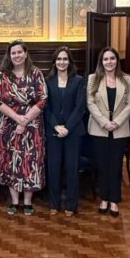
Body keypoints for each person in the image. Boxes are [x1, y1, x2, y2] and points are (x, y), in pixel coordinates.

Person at [0, 40, 47, 215]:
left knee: (30, 162)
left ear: (25, 54)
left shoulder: (36, 73)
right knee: (11, 162)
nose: (16, 55)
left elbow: (43, 99)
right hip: (8, 125)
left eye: (19, 52)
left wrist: (24, 121)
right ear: (9, 56)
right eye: (13, 53)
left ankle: (28, 202)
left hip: (32, 126)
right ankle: (15, 201)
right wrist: (17, 118)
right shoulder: (3, 75)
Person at [87, 47, 130, 217]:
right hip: (99, 128)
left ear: (117, 61)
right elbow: (90, 103)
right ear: (101, 62)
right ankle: (104, 199)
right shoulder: (93, 79)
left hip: (119, 129)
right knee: (102, 166)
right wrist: (105, 122)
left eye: (112, 58)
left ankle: (114, 200)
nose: (109, 62)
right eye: (105, 59)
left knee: (116, 166)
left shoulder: (127, 79)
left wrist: (117, 122)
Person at [45, 46, 86, 216]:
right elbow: (45, 107)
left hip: (73, 132)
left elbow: (80, 107)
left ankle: (71, 204)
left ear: (70, 62)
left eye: (65, 59)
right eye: (59, 59)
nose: (62, 62)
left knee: (72, 168)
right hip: (53, 131)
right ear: (54, 62)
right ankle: (54, 203)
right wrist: (56, 126)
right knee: (53, 168)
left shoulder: (78, 81)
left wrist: (67, 127)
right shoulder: (48, 81)